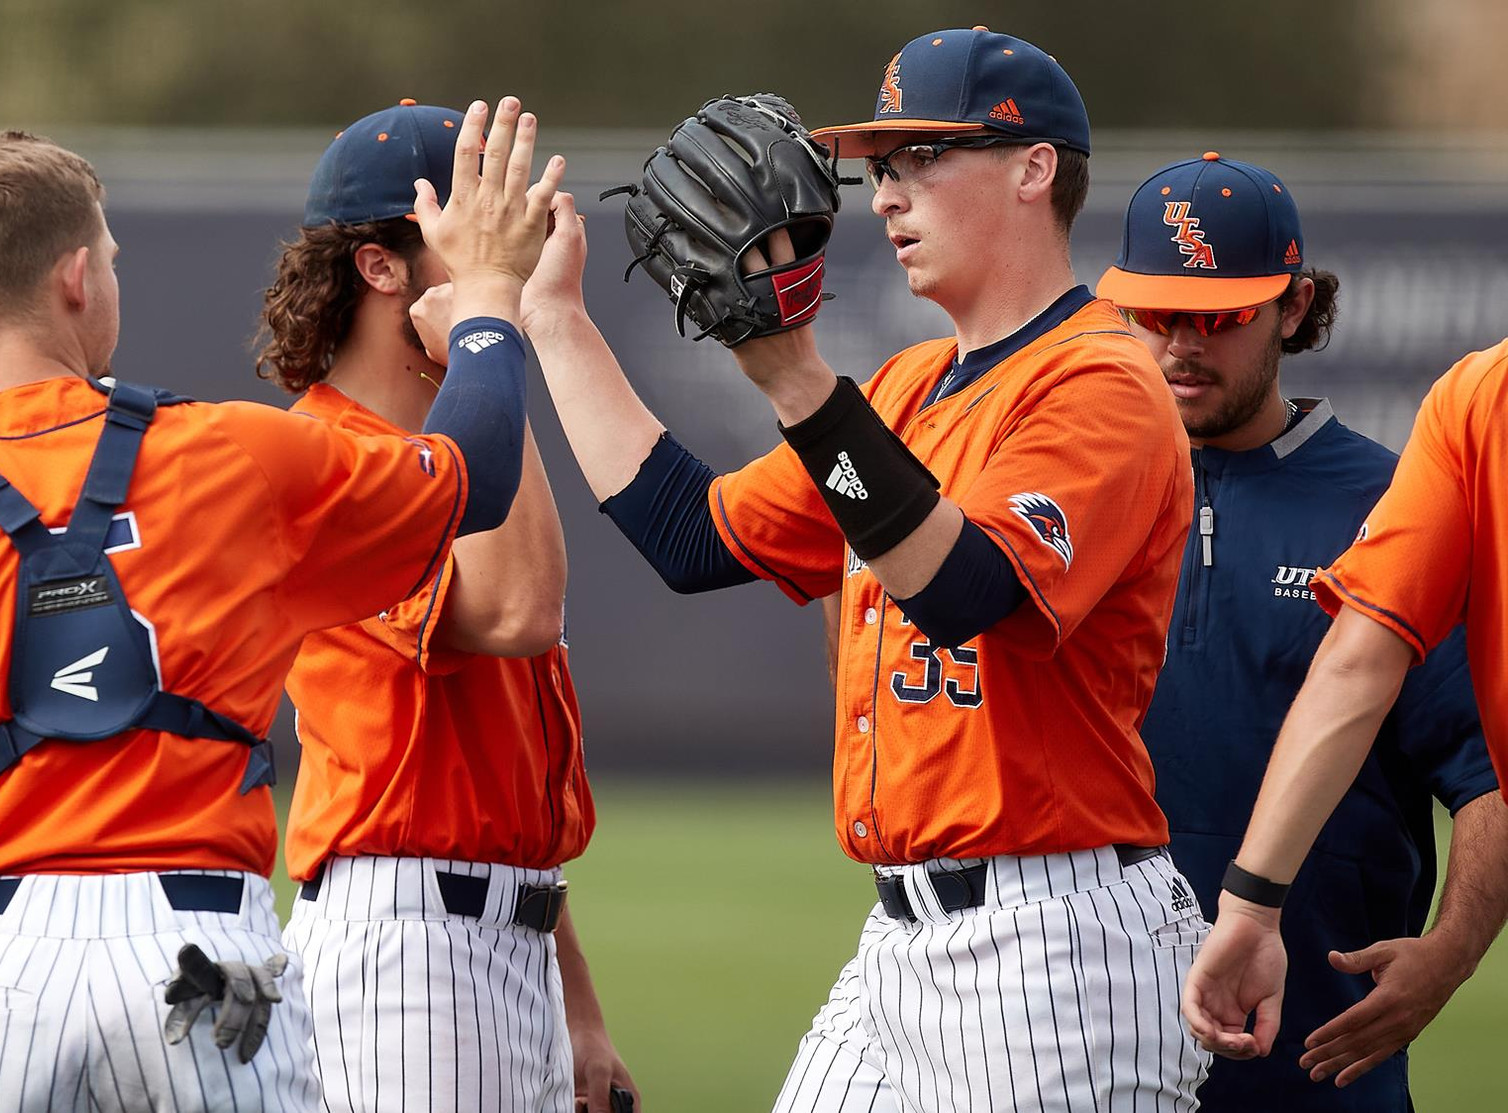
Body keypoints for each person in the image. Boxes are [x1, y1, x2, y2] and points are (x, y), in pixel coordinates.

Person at [0, 101, 562, 1111]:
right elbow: (473, 479)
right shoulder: (233, 453)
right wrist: (485, 300)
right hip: (203, 959)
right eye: (112, 257)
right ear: (76, 276)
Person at [507, 27, 1208, 1110]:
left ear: (1033, 170)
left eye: (923, 158)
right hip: (898, 949)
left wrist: (793, 379)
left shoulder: (1102, 383)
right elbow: (692, 540)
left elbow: (963, 589)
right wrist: (551, 320)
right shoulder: (908, 391)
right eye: (879, 167)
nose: (886, 195)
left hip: (1057, 950)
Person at [1103, 154, 1508, 1106]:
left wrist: (1451, 953)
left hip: (1319, 1048)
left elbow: (1485, 776)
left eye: (1218, 316)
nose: (1181, 345)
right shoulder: (1076, 492)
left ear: (1294, 306)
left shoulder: (1394, 498)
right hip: (1083, 1037)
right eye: (1158, 314)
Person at [259, 99, 635, 1113]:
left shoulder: (437, 435)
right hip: (403, 959)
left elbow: (502, 796)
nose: (504, 261)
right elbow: (519, 610)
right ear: (381, 266)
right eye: (473, 242)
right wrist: (491, 325)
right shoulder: (322, 458)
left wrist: (580, 1007)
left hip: (495, 942)